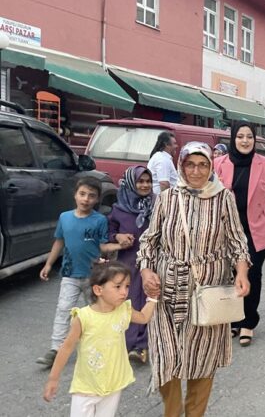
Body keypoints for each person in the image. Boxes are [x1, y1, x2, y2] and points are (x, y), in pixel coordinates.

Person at [138, 142, 251, 416]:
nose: (196, 171)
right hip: (166, 290)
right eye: (190, 164)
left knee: (202, 359)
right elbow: (149, 241)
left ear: (211, 166)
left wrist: (242, 273)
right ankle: (173, 412)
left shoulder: (223, 197)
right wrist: (145, 271)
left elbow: (237, 242)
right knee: (166, 356)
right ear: (182, 165)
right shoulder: (167, 198)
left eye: (202, 164)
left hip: (207, 291)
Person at [43, 261, 157, 416]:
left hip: (113, 383)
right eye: (118, 286)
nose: (124, 292)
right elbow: (66, 347)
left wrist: (152, 299)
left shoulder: (124, 310)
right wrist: (53, 378)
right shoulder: (84, 317)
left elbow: (143, 317)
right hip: (86, 386)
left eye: (127, 286)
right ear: (98, 289)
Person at [214, 121, 265, 347]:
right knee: (230, 274)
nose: (245, 141)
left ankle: (248, 321)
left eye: (249, 136)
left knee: (252, 275)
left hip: (257, 230)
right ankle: (233, 320)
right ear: (233, 139)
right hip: (227, 231)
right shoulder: (218, 163)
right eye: (240, 137)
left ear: (254, 139)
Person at [36, 177, 123, 367]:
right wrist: (48, 264)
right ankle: (56, 349)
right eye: (82, 194)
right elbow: (59, 241)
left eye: (91, 196)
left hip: (94, 276)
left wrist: (118, 245)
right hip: (69, 273)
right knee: (63, 310)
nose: (86, 199)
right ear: (75, 195)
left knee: (95, 313)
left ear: (97, 199)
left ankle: (100, 348)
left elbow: (102, 246)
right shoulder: (64, 218)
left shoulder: (100, 220)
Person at [107, 166, 155, 363]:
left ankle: (142, 345)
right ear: (130, 183)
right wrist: (118, 237)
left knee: (149, 299)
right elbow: (107, 232)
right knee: (129, 301)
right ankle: (127, 342)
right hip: (127, 261)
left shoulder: (157, 205)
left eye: (147, 181)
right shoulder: (119, 209)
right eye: (140, 181)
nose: (144, 185)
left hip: (152, 261)